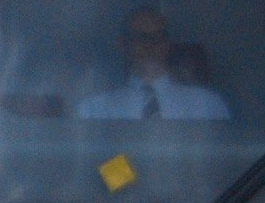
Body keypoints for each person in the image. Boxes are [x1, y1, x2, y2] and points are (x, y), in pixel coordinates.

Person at [77, 8, 233, 120]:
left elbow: (219, 158)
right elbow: (97, 158)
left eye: (158, 37)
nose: (150, 45)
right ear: (122, 44)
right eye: (140, 37)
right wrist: (129, 168)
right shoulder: (95, 108)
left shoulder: (207, 104)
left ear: (167, 44)